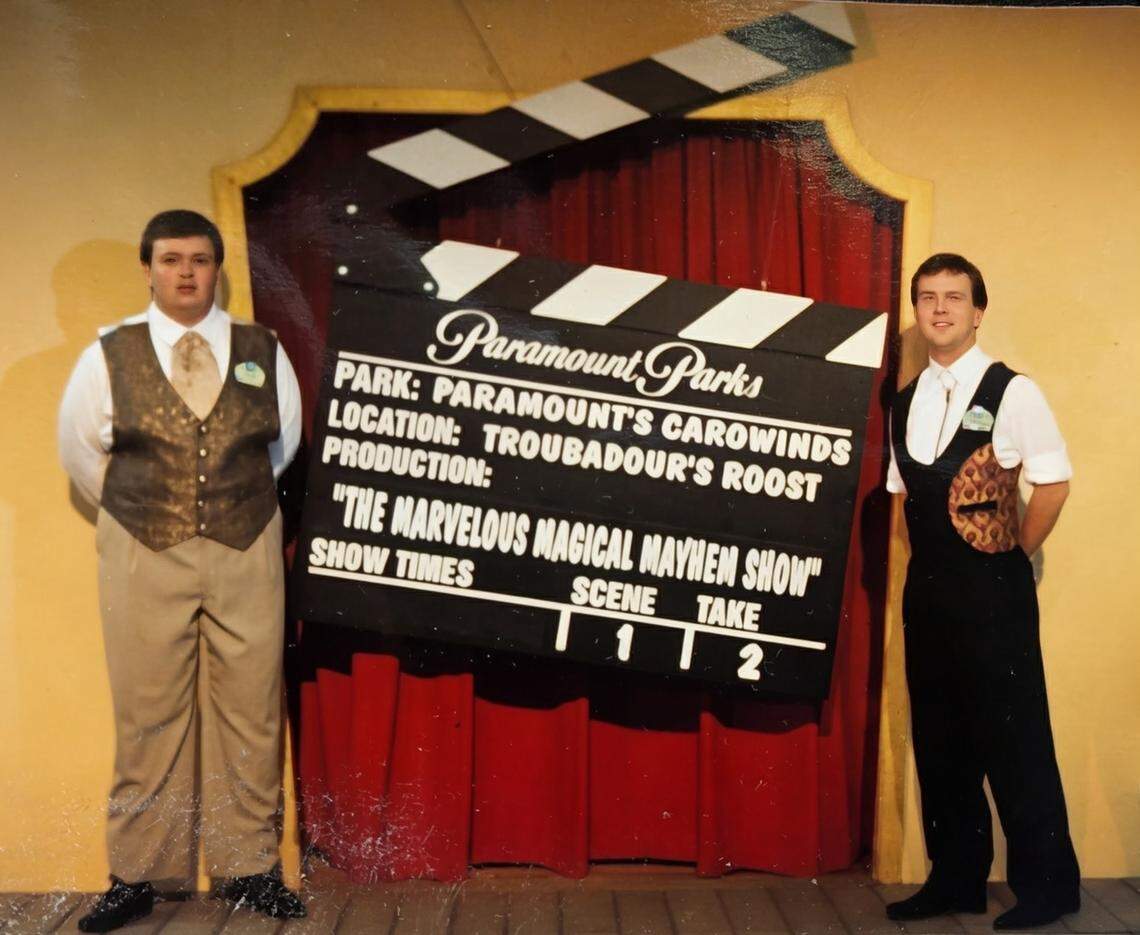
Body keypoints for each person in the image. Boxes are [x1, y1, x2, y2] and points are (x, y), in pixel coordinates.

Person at [58, 210, 306, 931]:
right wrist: (145, 511)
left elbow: (280, 442)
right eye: (171, 260)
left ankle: (249, 868)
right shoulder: (109, 351)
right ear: (149, 269)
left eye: (199, 259)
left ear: (216, 268)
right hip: (144, 546)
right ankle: (140, 874)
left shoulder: (264, 348)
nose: (186, 272)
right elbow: (81, 450)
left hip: (245, 541)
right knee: (147, 710)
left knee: (252, 709)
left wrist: (223, 502)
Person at [884, 253, 1080, 930]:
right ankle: (956, 878)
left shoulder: (1012, 391)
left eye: (954, 298)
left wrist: (1014, 553)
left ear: (978, 310)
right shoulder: (902, 401)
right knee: (942, 737)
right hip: (929, 593)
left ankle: (1050, 887)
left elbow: (1052, 481)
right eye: (928, 298)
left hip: (995, 591)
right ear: (917, 312)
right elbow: (906, 496)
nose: (940, 309)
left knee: (1015, 737)